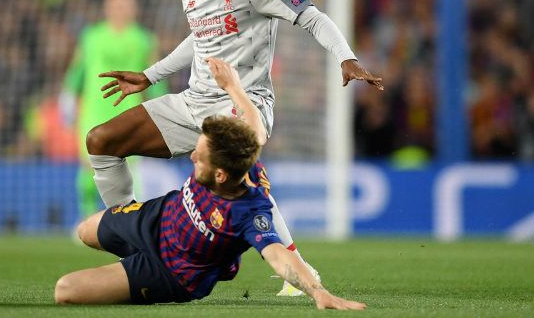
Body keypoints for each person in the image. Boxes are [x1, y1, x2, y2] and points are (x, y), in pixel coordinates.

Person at [86, 0, 383, 296]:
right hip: (194, 102)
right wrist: (150, 75)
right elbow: (200, 38)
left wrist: (346, 58)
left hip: (242, 104)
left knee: (243, 182)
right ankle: (134, 246)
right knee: (101, 141)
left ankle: (295, 266)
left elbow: (311, 15)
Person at [55, 58, 366, 310]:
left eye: (199, 156)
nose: (192, 156)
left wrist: (317, 291)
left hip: (171, 272)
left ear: (219, 176)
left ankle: (139, 273)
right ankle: (133, 260)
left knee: (65, 290)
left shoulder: (248, 211)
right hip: (157, 218)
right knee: (85, 231)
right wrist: (232, 87)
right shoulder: (235, 152)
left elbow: (277, 255)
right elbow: (255, 125)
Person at [60, 0, 166, 218]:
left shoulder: (145, 40)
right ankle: (86, 217)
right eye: (116, 4)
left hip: (129, 112)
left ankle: (131, 220)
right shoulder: (91, 37)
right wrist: (67, 96)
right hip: (94, 111)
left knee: (129, 169)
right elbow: (77, 70)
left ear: (134, 8)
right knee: (90, 167)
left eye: (125, 4)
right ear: (107, 8)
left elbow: (156, 78)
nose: (120, 9)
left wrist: (162, 105)